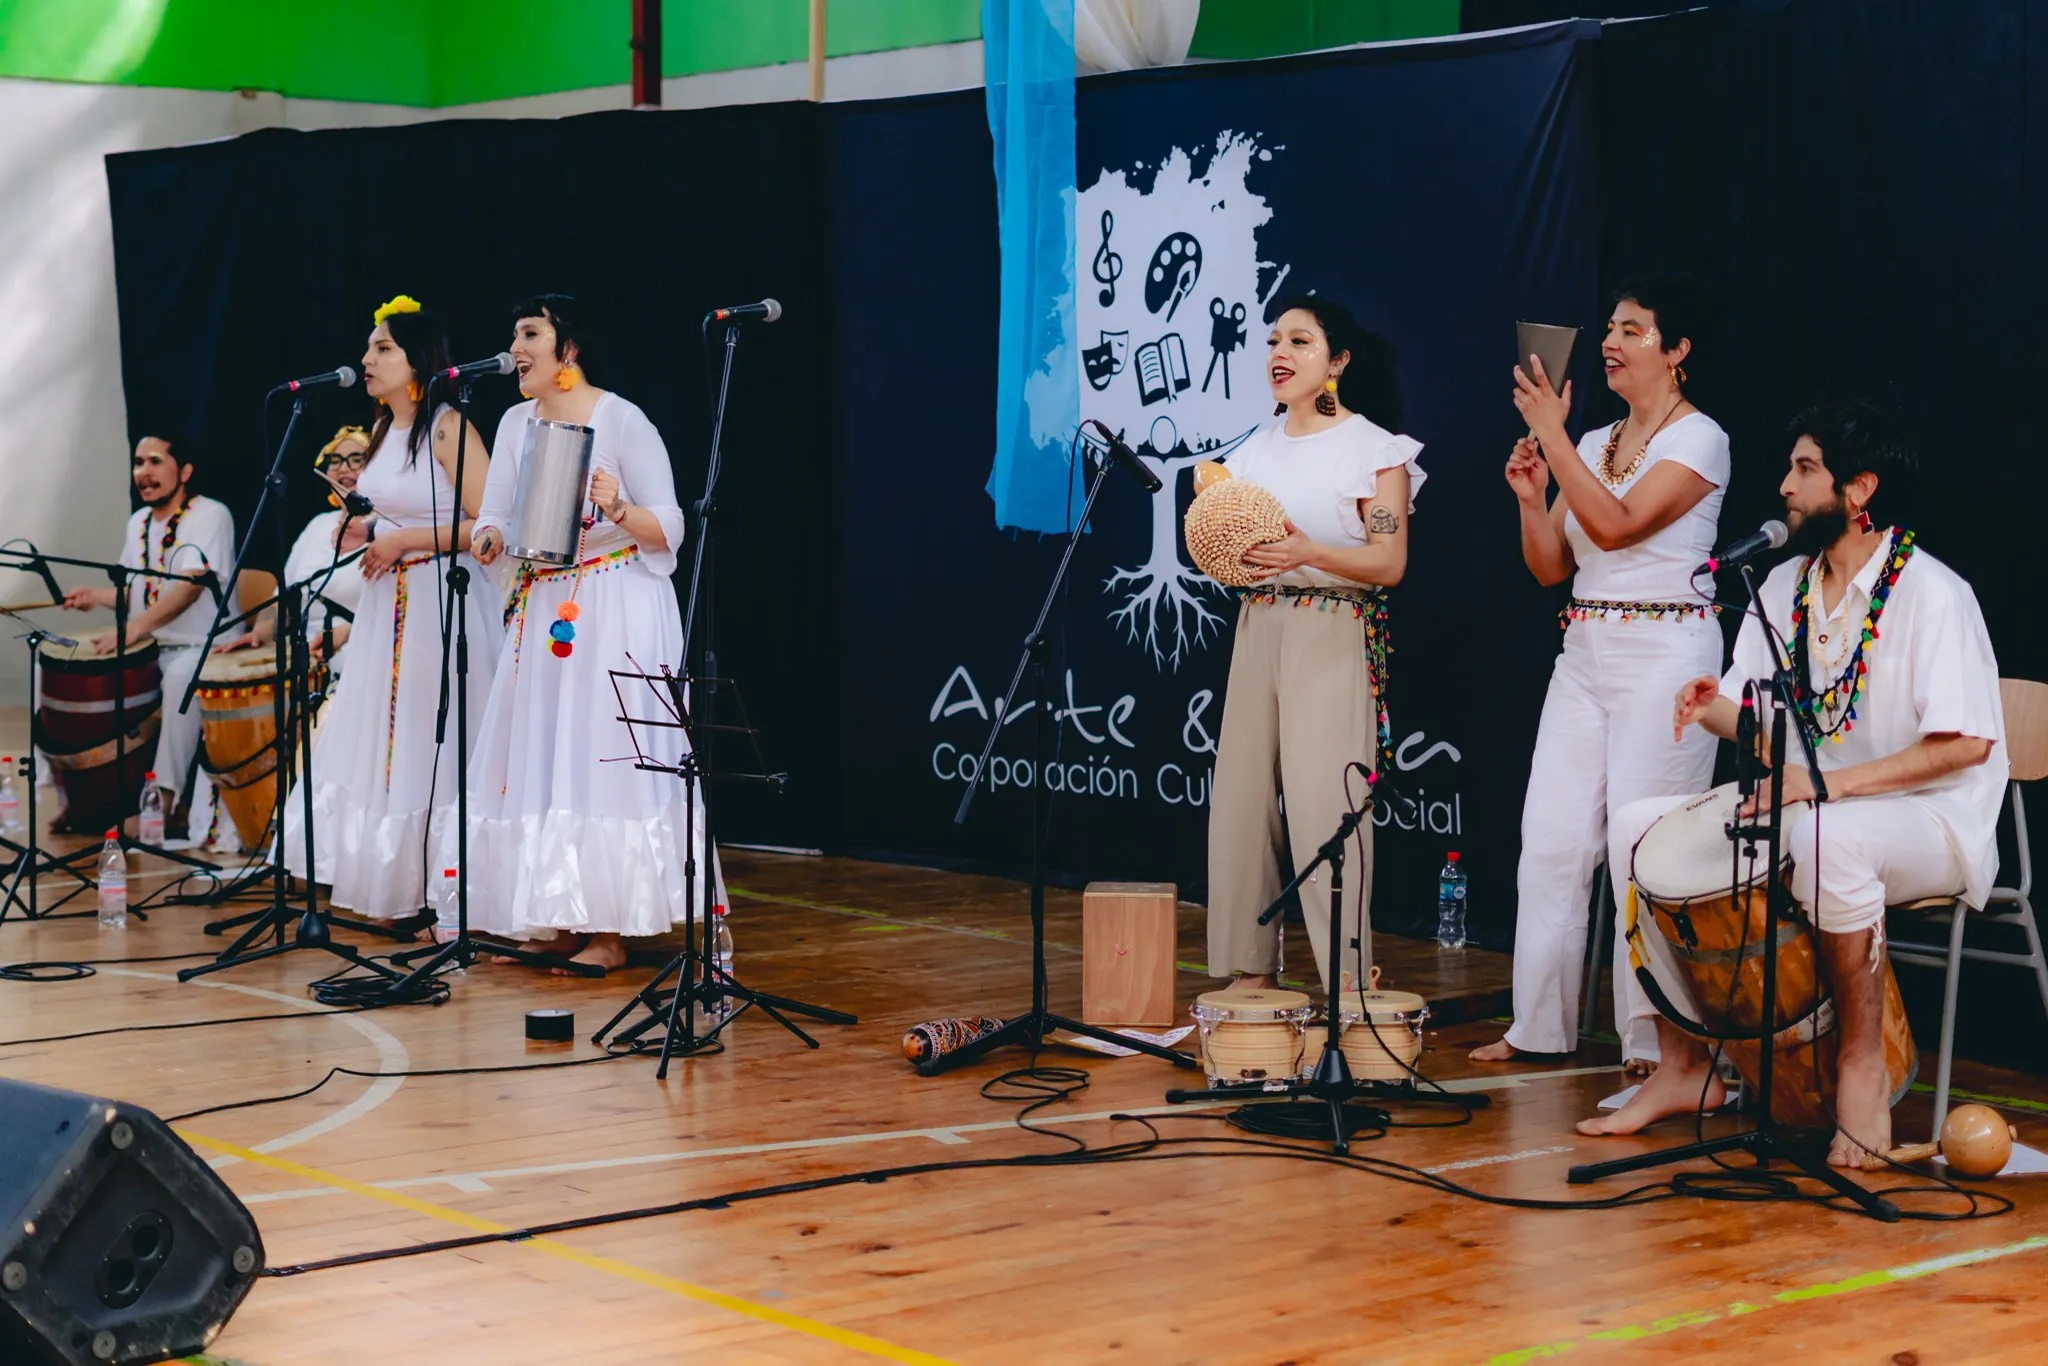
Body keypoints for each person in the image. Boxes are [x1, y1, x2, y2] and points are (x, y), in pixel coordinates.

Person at [1585, 401, 2004, 1166]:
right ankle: (1681, 1064)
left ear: (1859, 489)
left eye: (1805, 469)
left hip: (1931, 819)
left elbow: (1967, 743)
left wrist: (1825, 787)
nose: (1784, 485)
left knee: (1824, 837)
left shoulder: (1931, 592)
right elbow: (1752, 715)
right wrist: (1711, 708)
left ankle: (1862, 1066)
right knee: (1638, 825)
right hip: (1815, 807)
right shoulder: (1784, 587)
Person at [1471, 275, 1729, 1074]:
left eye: (1633, 330)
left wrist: (1550, 435)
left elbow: (1617, 527)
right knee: (1551, 843)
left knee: (1642, 852)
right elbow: (1553, 566)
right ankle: (1537, 1027)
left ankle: (1652, 1046)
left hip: (1667, 655)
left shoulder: (1700, 438)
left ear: (1677, 350)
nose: (1611, 342)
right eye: (1610, 328)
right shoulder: (1590, 443)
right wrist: (1531, 497)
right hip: (1585, 650)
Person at [465, 295, 715, 975]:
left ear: (567, 350)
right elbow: (493, 514)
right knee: (545, 755)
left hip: (614, 601)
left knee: (601, 759)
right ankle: (554, 918)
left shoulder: (621, 418)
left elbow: (670, 527)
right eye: (514, 334)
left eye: (530, 334)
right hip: (546, 603)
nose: (516, 348)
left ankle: (609, 929)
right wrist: (489, 538)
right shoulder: (514, 422)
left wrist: (618, 508)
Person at [1202, 295, 1424, 994]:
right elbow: (1227, 538)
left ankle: (1345, 983)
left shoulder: (1375, 451)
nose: (1280, 353)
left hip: (1332, 621)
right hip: (1258, 620)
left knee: (1327, 803)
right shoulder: (1251, 450)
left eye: (1300, 341)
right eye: (1274, 340)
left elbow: (1389, 562)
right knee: (1240, 800)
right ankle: (1248, 970)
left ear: (1338, 361)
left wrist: (1311, 553)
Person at [283, 298, 500, 918]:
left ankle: (448, 888)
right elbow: (398, 510)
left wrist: (404, 540)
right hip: (388, 606)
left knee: (432, 741)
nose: (366, 359)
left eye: (383, 349)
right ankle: (393, 881)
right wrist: (371, 527)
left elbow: (490, 525)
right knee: (387, 740)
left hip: (440, 600)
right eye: (368, 348)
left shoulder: (448, 427)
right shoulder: (382, 431)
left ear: (418, 361)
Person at [61, 432, 236, 845]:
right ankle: (74, 794)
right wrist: (96, 597)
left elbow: (190, 586)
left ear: (185, 471)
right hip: (150, 647)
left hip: (204, 648)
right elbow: (135, 591)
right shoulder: (138, 522)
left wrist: (135, 629)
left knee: (179, 677)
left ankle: (163, 804)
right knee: (61, 664)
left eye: (155, 461)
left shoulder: (210, 515)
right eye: (138, 463)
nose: (143, 472)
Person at [215, 425, 374, 676]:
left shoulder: (387, 530)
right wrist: (259, 633)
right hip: (306, 650)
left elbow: (400, 608)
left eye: (356, 460)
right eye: (335, 461)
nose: (343, 469)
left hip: (362, 647)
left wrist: (347, 633)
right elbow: (286, 597)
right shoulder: (317, 525)